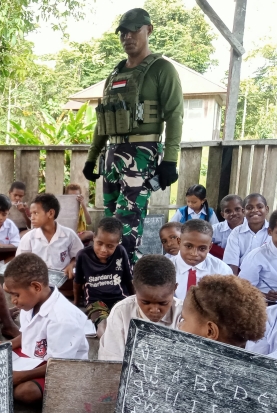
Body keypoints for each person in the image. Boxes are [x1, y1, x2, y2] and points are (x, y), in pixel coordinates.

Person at [102, 274, 267, 413]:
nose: (179, 327)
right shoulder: (179, 372)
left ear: (210, 331)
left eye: (184, 320)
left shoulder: (240, 394)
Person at [82, 8, 183, 264]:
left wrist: (170, 160)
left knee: (129, 223)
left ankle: (127, 278)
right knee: (109, 222)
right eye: (123, 33)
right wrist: (92, 158)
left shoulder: (162, 69)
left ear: (148, 30)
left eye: (134, 31)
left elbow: (175, 116)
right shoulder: (114, 74)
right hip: (112, 155)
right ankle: (107, 274)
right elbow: (103, 119)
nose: (127, 37)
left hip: (141, 153)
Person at [0, 253, 88, 404]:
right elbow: (28, 334)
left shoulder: (62, 318)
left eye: (16, 295)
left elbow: (58, 364)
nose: (13, 301)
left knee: (26, 392)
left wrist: (21, 375)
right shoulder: (29, 304)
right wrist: (6, 345)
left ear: (36, 287)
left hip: (60, 367)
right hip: (33, 358)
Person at [98, 254, 181, 361]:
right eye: (146, 302)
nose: (154, 310)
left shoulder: (183, 313)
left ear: (174, 288)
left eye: (163, 303)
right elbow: (112, 364)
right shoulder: (121, 312)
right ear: (135, 287)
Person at [74, 217, 133, 335]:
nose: (103, 250)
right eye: (99, 243)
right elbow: (77, 282)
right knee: (102, 324)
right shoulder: (83, 255)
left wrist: (134, 299)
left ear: (118, 242)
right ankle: (106, 349)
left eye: (110, 246)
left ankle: (122, 350)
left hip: (119, 299)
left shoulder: (120, 252)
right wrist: (76, 304)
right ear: (94, 237)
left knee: (124, 323)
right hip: (95, 301)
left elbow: (128, 279)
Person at [16, 193, 84, 282]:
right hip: (37, 282)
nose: (32, 218)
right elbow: (19, 262)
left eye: (36, 213)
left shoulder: (68, 235)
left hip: (63, 280)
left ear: (50, 213)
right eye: (31, 213)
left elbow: (79, 256)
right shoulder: (29, 238)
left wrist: (71, 265)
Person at [170, 219, 232, 300]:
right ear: (179, 242)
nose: (194, 253)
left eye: (202, 248)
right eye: (189, 246)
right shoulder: (165, 268)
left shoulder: (221, 270)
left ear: (209, 247)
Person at [223, 193, 270, 275]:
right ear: (243, 212)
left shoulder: (273, 231)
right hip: (242, 277)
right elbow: (231, 262)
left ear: (267, 209)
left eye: (259, 207)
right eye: (249, 208)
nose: (255, 210)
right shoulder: (236, 233)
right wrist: (235, 284)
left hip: (268, 277)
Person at [210, 194, 244, 259]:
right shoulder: (215, 229)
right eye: (228, 211)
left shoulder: (252, 228)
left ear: (243, 210)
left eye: (237, 209)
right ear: (223, 214)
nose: (233, 213)